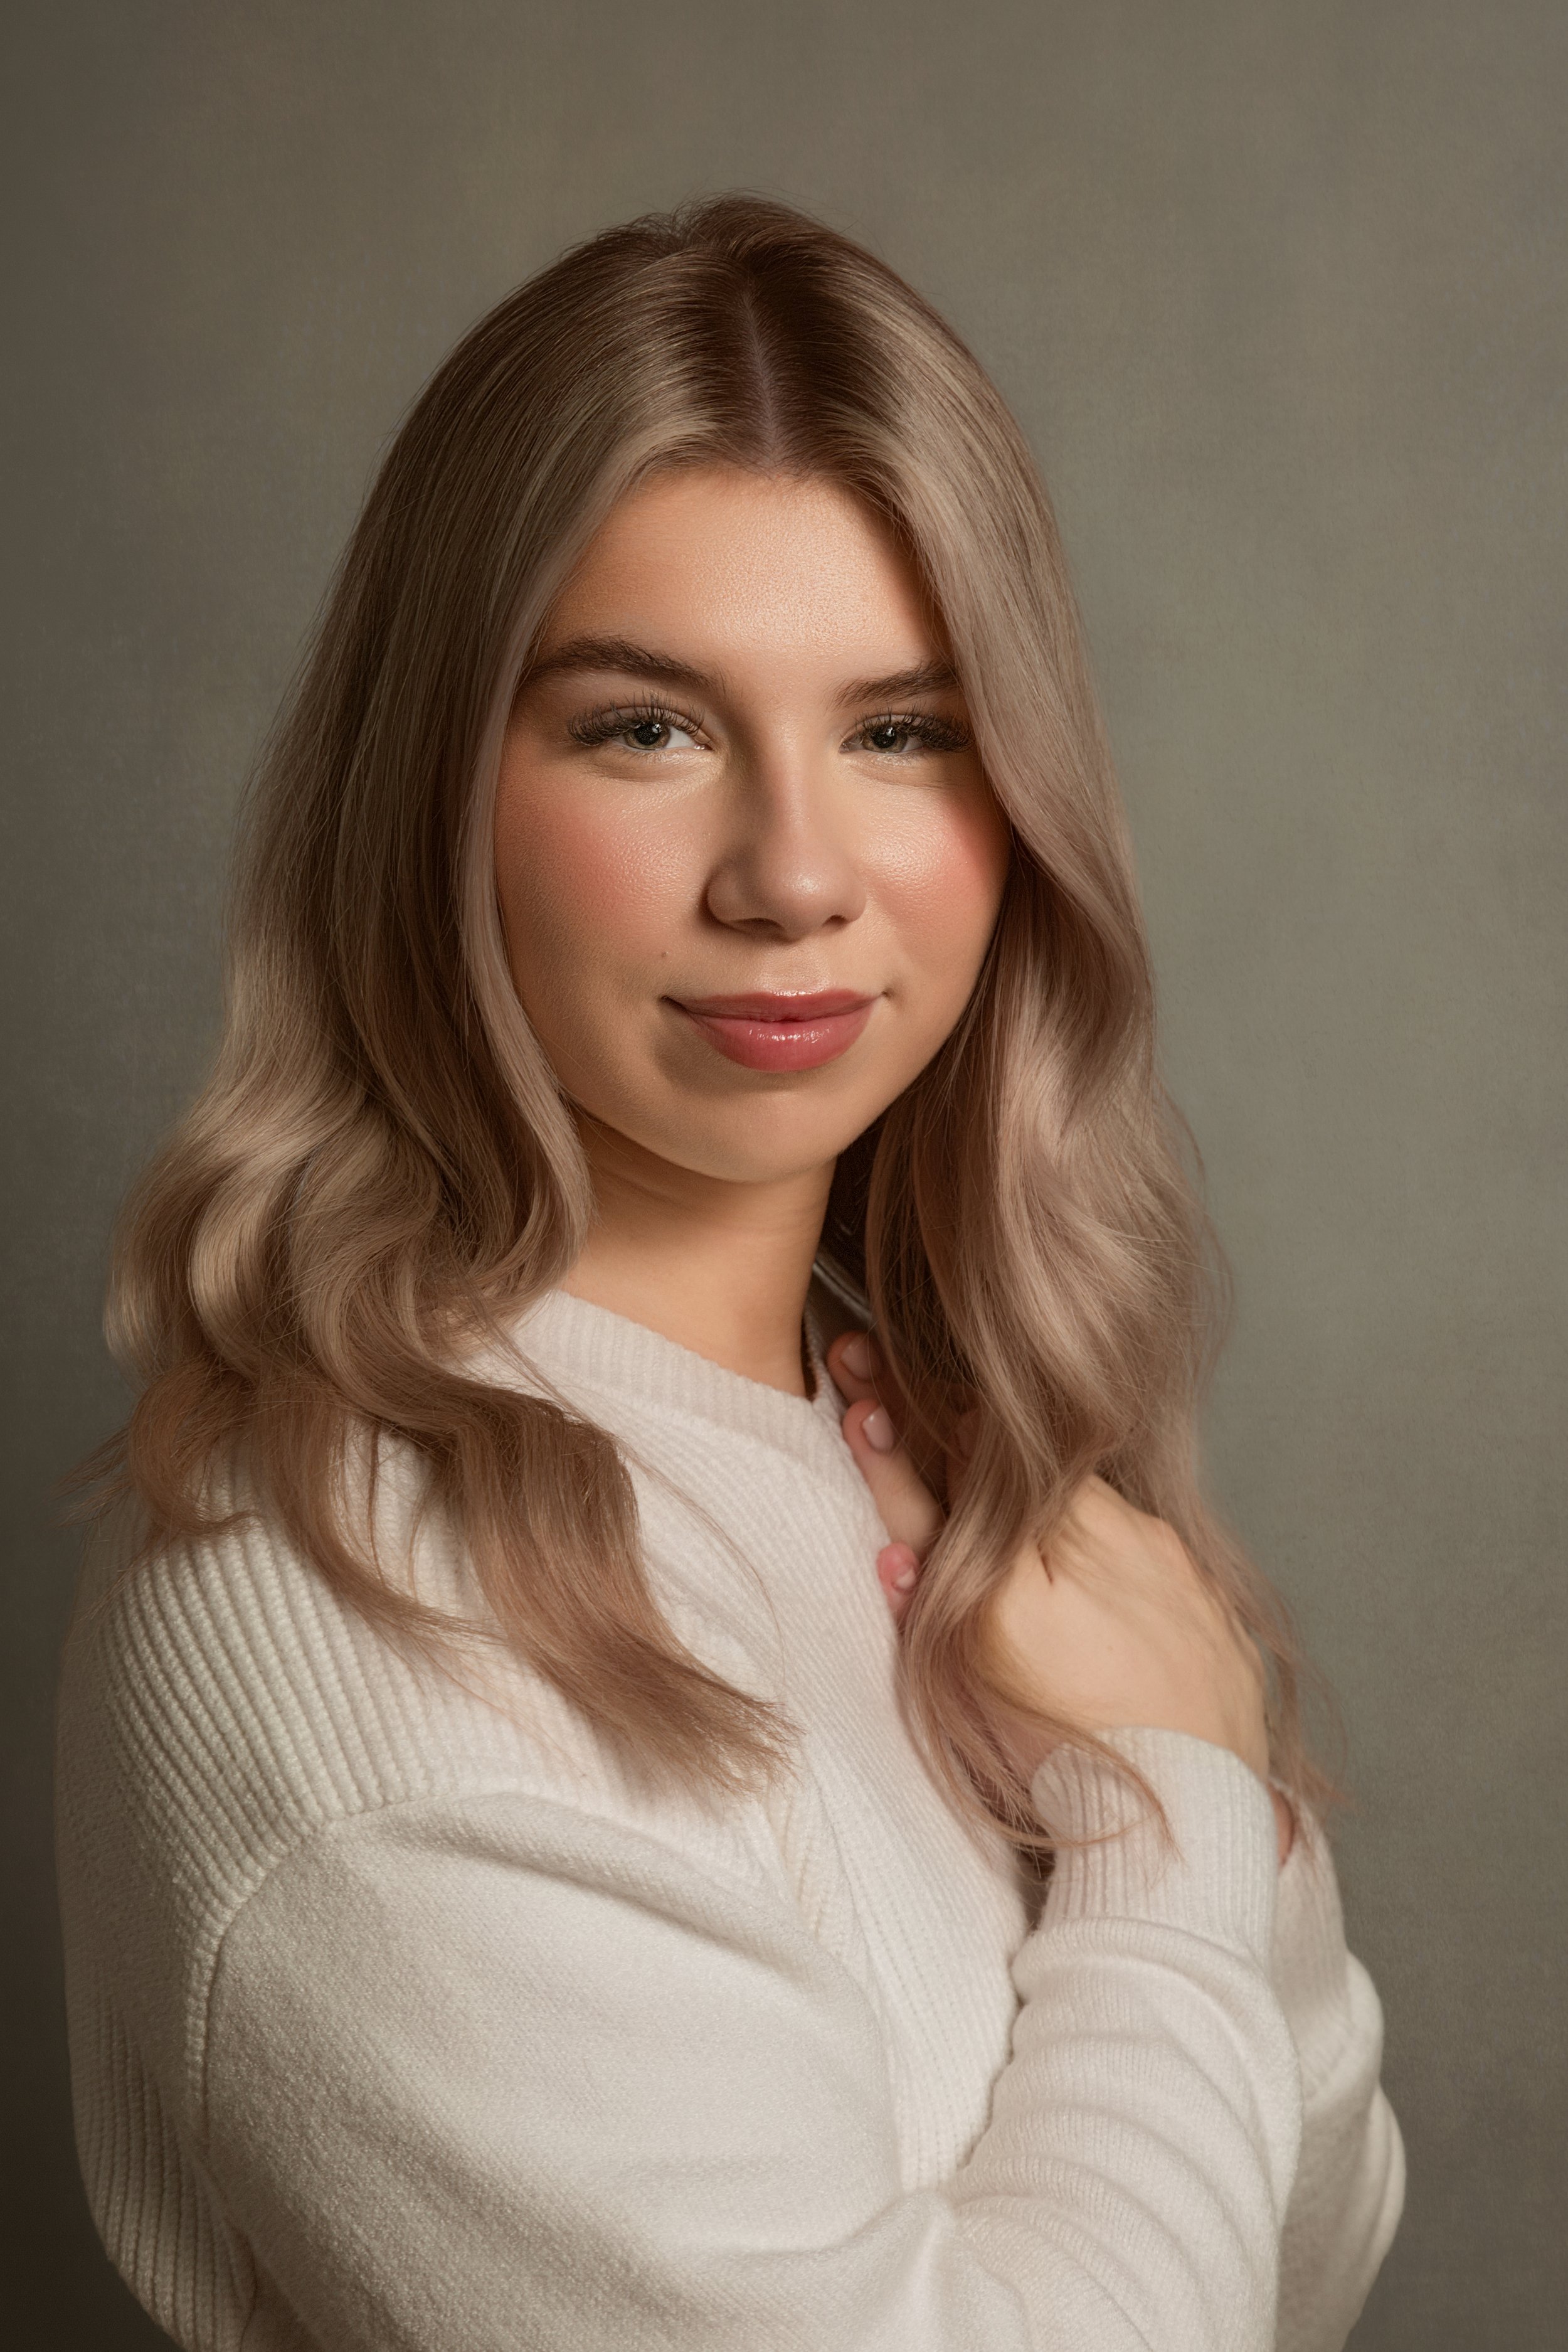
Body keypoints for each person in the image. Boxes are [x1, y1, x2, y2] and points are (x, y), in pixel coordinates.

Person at [55, 194, 1404, 2351]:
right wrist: (1174, 1810)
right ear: (440, 796)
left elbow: (1297, 2260)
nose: (792, 875)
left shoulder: (943, 1458)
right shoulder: (358, 1622)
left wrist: (1179, 1792)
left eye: (900, 730)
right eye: (642, 728)